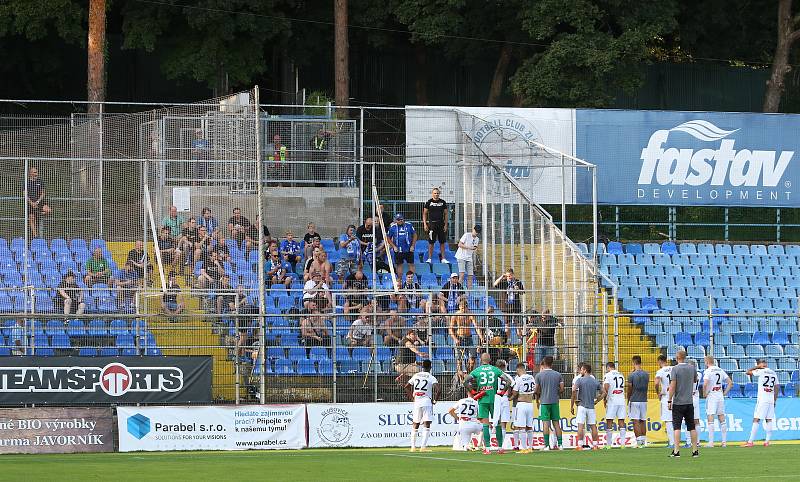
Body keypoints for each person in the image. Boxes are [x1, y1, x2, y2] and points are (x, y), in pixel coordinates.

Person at [463, 353, 515, 454]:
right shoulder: (495, 370)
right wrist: (502, 392)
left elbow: (465, 381)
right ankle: (500, 448)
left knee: (486, 425)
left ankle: (487, 448)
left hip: (482, 399)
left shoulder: (477, 371)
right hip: (494, 399)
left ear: (480, 360)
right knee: (498, 423)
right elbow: (508, 381)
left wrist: (473, 392)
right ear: (490, 359)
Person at [667, 350, 700, 458]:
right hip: (689, 401)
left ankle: (676, 451)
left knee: (677, 427)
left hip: (678, 402)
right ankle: (695, 450)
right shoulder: (692, 368)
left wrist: (669, 399)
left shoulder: (675, 369)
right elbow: (695, 380)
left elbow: (673, 385)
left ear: (677, 358)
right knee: (692, 427)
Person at [405, 359, 440, 452]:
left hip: (417, 401)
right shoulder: (431, 377)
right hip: (426, 401)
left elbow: (406, 386)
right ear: (430, 367)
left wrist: (412, 398)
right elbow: (438, 390)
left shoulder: (416, 375)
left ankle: (412, 447)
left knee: (415, 423)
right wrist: (435, 400)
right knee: (426, 423)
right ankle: (423, 447)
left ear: (422, 367)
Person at [744, 358, 779, 447]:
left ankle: (750, 441)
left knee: (756, 419)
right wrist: (774, 400)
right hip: (770, 399)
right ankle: (767, 441)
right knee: (769, 419)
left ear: (760, 364)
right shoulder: (773, 372)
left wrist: (757, 367)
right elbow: (777, 386)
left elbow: (747, 372)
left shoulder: (761, 371)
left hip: (762, 399)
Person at [534, 355, 564, 450]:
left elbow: (536, 390)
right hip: (555, 401)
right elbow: (562, 389)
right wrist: (556, 392)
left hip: (544, 401)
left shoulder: (539, 375)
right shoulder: (558, 374)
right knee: (556, 424)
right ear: (552, 363)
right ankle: (560, 445)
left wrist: (538, 398)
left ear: (544, 363)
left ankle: (546, 445)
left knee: (545, 424)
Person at [571, 362, 602, 451]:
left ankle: (580, 445)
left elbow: (573, 390)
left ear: (585, 370)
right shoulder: (595, 381)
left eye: (581, 370)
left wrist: (575, 400)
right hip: (591, 406)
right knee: (593, 426)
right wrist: (597, 400)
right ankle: (595, 445)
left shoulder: (580, 380)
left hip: (582, 405)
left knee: (580, 425)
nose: (580, 371)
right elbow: (604, 392)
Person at [703, 355, 731, 448]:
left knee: (710, 417)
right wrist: (724, 393)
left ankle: (711, 442)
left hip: (712, 395)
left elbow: (705, 383)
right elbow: (730, 383)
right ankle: (724, 442)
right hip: (720, 395)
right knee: (721, 417)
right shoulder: (720, 370)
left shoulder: (708, 371)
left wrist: (704, 393)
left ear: (707, 362)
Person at [600, 361, 627, 449]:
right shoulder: (621, 375)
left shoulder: (608, 375)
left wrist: (604, 399)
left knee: (609, 421)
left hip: (612, 400)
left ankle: (608, 445)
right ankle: (623, 444)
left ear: (608, 368)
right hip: (621, 399)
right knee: (621, 421)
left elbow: (606, 388)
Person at [511, 363, 537, 453]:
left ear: (518, 369)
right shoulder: (531, 377)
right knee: (529, 427)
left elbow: (514, 393)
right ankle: (530, 447)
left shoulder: (519, 379)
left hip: (521, 404)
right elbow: (535, 389)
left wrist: (509, 398)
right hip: (530, 404)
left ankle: (524, 448)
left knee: (521, 427)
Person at [627, 355, 651, 448]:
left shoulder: (631, 375)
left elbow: (629, 388)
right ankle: (644, 442)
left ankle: (638, 442)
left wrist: (628, 399)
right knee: (643, 420)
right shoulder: (646, 374)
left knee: (635, 421)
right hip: (644, 400)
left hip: (635, 399)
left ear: (633, 363)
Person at [490, 359, 513, 450]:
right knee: (503, 423)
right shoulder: (507, 376)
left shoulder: (494, 375)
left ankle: (491, 444)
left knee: (494, 420)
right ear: (504, 367)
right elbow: (512, 386)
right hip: (504, 397)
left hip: (495, 397)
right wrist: (507, 395)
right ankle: (501, 445)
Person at [422, 187, 449, 264]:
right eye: (435, 193)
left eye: (437, 193)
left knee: (442, 242)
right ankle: (429, 258)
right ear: (432, 194)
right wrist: (425, 224)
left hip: (441, 224)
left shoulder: (443, 202)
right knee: (431, 242)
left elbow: (446, 214)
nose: (436, 194)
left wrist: (445, 225)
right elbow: (424, 213)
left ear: (439, 194)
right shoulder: (429, 202)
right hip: (432, 225)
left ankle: (443, 258)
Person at [655, 354, 676, 448]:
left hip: (666, 397)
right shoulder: (674, 368)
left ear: (660, 361)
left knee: (668, 420)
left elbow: (656, 383)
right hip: (676, 396)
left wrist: (658, 392)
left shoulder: (660, 371)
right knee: (676, 419)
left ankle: (672, 442)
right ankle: (677, 441)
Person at [386, 213, 417, 277]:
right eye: (398, 219)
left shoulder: (409, 225)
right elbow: (388, 237)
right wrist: (393, 246)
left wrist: (413, 245)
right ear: (396, 220)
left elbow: (415, 235)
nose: (400, 221)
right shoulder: (393, 227)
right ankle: (399, 280)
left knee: (411, 264)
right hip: (398, 250)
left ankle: (412, 279)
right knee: (399, 264)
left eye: (401, 219)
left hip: (409, 249)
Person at [26, 167, 52, 237]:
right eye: (34, 172)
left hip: (40, 202)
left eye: (36, 172)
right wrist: (31, 203)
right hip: (30, 203)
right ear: (30, 173)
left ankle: (39, 213)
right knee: (31, 218)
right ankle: (35, 235)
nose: (36, 174)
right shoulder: (26, 182)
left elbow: (43, 193)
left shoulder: (40, 181)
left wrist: (37, 202)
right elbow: (25, 194)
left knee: (48, 210)